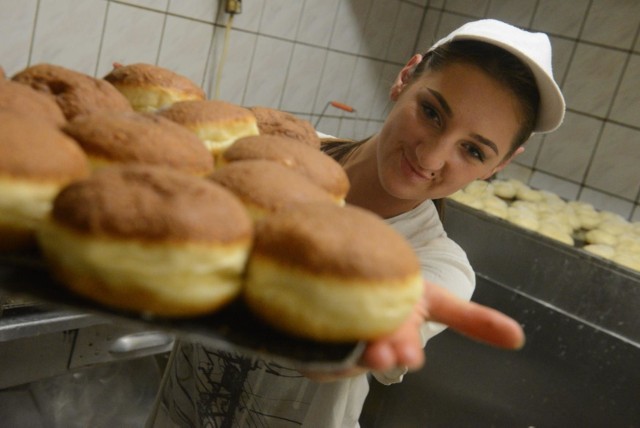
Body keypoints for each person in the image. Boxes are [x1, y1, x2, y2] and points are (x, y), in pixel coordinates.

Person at [146, 19, 565, 427]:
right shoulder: (280, 160)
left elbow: (388, 324)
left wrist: (367, 325)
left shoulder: (436, 265)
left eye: (473, 151)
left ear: (502, 164)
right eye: (432, 113)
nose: (432, 157)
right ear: (404, 79)